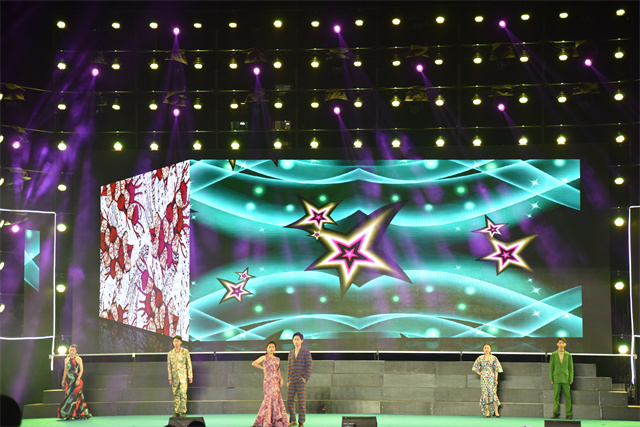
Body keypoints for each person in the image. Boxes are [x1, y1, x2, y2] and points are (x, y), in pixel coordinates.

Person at [251, 341, 289, 427]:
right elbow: (254, 363)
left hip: (276, 381)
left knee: (276, 398)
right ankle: (267, 421)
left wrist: (281, 379)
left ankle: (275, 420)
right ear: (267, 348)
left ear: (275, 349)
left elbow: (278, 370)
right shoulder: (264, 357)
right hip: (268, 381)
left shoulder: (277, 359)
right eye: (269, 347)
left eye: (273, 347)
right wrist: (263, 368)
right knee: (269, 398)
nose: (271, 349)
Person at [57, 344, 92, 420]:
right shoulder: (66, 359)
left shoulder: (78, 359)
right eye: (70, 350)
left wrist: (78, 379)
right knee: (68, 397)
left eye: (73, 350)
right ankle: (68, 414)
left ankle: (77, 414)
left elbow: (81, 370)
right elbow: (65, 371)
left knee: (76, 397)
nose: (71, 352)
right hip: (68, 381)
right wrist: (63, 380)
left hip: (76, 380)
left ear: (76, 351)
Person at [286, 332, 313, 427]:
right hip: (291, 381)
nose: (296, 341)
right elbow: (289, 367)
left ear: (302, 340)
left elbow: (310, 365)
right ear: (293, 341)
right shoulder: (291, 353)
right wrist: (288, 380)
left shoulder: (306, 352)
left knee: (301, 402)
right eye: (294, 339)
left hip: (301, 381)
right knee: (289, 401)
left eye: (298, 339)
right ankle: (293, 420)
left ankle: (301, 422)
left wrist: (305, 378)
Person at [472, 343, 503, 417]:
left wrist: (496, 379)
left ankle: (496, 411)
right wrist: (480, 373)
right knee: (485, 394)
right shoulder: (480, 358)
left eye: (488, 348)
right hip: (484, 379)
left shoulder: (494, 358)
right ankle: (487, 411)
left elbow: (497, 369)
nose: (486, 349)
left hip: (491, 378)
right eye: (485, 348)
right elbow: (475, 367)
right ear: (483, 349)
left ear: (490, 349)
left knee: (493, 394)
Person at [167, 335, 193, 417]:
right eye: (174, 341)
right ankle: (177, 411)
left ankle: (183, 411)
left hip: (183, 376)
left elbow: (189, 364)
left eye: (177, 341)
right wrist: (170, 378)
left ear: (181, 342)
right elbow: (169, 366)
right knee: (176, 394)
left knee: (183, 393)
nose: (176, 343)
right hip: (174, 376)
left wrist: (190, 376)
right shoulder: (170, 353)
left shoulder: (185, 352)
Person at [549, 337, 573, 419]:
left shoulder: (568, 355)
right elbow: (551, 367)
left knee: (568, 396)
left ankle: (568, 413)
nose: (561, 344)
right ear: (557, 344)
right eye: (560, 342)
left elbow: (571, 368)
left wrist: (571, 379)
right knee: (556, 396)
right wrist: (551, 378)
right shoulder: (553, 354)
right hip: (556, 377)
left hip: (566, 378)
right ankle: (555, 412)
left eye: (562, 343)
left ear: (565, 344)